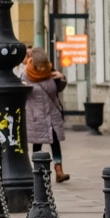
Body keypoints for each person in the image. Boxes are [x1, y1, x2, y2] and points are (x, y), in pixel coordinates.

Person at [24, 47, 70, 182]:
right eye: (40, 66)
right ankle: (38, 171)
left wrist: (62, 78)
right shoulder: (26, 75)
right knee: (37, 144)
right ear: (34, 64)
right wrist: (22, 86)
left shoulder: (52, 73)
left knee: (55, 142)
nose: (43, 69)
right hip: (35, 116)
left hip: (52, 114)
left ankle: (59, 170)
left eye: (45, 66)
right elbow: (23, 94)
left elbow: (59, 89)